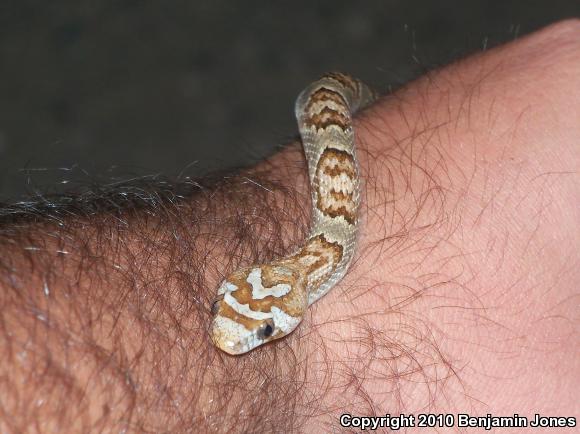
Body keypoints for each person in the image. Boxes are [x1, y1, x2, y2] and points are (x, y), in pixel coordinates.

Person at [0, 20, 578, 433]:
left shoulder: (316, 262)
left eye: (257, 327)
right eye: (252, 324)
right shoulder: (314, 264)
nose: (231, 338)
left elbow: (319, 98)